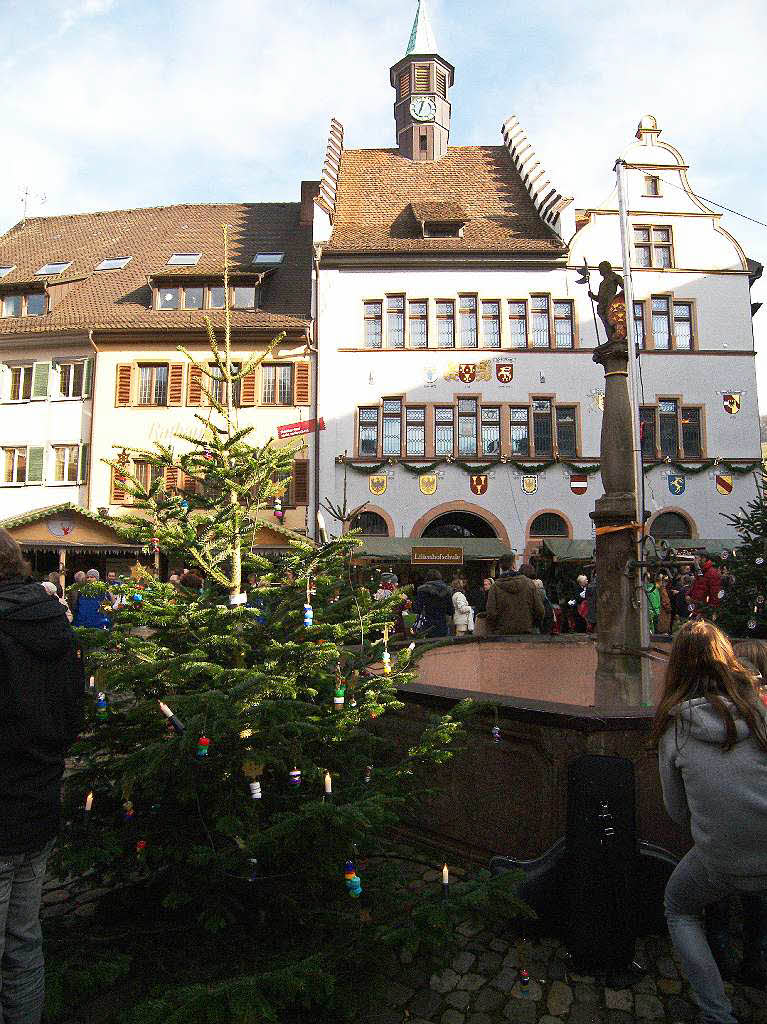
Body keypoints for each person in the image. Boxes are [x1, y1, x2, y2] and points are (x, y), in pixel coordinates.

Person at [651, 620, 767, 1024]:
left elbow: (676, 811)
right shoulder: (759, 712)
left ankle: (718, 1014)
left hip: (723, 857)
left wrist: (715, 824)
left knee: (678, 908)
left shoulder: (675, 730)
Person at [0, 528, 85, 1024]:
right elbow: (72, 714)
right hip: (39, 801)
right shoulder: (57, 623)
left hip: (7, 804)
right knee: (24, 942)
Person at [486, 554, 544, 636]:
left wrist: (495, 628)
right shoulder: (529, 584)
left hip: (502, 635)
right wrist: (532, 624)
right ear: (514, 565)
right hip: (526, 632)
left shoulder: (495, 587)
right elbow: (540, 610)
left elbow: (491, 613)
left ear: (501, 567)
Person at [413, 569, 454, 637]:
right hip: (442, 624)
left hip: (426, 624)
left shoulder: (422, 590)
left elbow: (417, 609)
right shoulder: (447, 590)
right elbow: (450, 610)